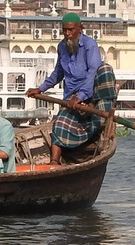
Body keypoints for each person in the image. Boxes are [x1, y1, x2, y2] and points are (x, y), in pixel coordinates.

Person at [25, 12, 101, 166]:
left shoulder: (90, 45)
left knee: (60, 122)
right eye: (64, 30)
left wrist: (80, 96)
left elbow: (93, 72)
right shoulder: (61, 46)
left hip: (87, 97)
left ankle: (56, 159)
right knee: (59, 123)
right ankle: (54, 161)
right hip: (70, 99)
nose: (67, 34)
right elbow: (58, 73)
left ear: (80, 28)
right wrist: (40, 89)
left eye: (71, 30)